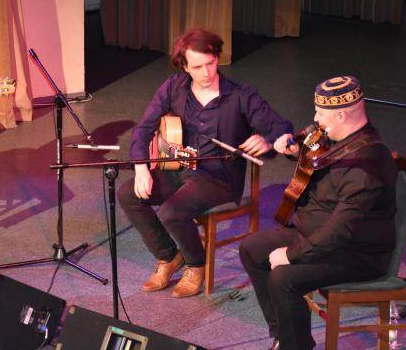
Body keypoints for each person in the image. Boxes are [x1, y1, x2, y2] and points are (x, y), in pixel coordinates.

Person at [117, 28, 292, 298]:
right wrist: (141, 166)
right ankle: (168, 256)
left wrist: (270, 141)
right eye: (198, 67)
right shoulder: (173, 88)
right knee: (128, 194)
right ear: (184, 66)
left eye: (211, 63)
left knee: (171, 211)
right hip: (177, 169)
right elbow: (143, 129)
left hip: (218, 178)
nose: (207, 73)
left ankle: (196, 264)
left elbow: (279, 128)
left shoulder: (241, 95)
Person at [239, 76, 397, 350]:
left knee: (284, 278)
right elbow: (316, 156)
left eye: (321, 113)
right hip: (314, 233)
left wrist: (291, 255)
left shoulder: (367, 164)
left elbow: (340, 230)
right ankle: (284, 337)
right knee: (252, 248)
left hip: (357, 252)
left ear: (343, 114)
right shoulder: (337, 136)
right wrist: (294, 151)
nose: (315, 118)